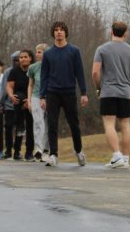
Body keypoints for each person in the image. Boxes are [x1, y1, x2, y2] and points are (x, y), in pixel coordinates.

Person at [92, 21, 130, 168]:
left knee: (109, 123)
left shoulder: (102, 49)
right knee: (126, 125)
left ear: (111, 32)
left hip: (108, 92)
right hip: (125, 92)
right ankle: (125, 159)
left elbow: (95, 72)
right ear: (125, 33)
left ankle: (117, 155)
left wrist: (99, 88)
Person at [40, 21, 88, 167]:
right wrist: (42, 96)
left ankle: (79, 151)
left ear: (65, 32)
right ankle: (53, 154)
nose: (58, 32)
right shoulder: (48, 53)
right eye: (56, 30)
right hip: (52, 93)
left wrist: (84, 92)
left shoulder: (74, 51)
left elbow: (80, 72)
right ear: (53, 33)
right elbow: (44, 76)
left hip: (69, 92)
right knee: (52, 124)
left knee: (74, 124)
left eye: (61, 30)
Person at [6, 49, 35, 161]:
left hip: (32, 99)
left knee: (30, 125)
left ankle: (29, 152)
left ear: (30, 58)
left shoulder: (34, 69)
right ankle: (17, 151)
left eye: (25, 57)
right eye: (21, 57)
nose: (23, 59)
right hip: (18, 100)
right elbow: (9, 86)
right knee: (20, 125)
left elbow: (37, 86)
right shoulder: (14, 71)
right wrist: (11, 96)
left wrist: (30, 101)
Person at [27, 43, 49, 162]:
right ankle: (38, 150)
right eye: (36, 52)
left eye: (39, 52)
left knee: (48, 124)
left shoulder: (52, 66)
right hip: (36, 97)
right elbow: (30, 85)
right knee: (38, 122)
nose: (36, 54)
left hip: (50, 97)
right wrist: (29, 100)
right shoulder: (33, 67)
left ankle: (47, 150)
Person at [0, 51, 20, 159]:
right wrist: (0, 104)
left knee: (20, 128)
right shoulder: (8, 72)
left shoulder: (26, 71)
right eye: (15, 60)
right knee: (8, 127)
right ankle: (8, 150)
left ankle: (17, 151)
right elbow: (3, 89)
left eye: (18, 59)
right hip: (9, 105)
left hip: (21, 105)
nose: (17, 62)